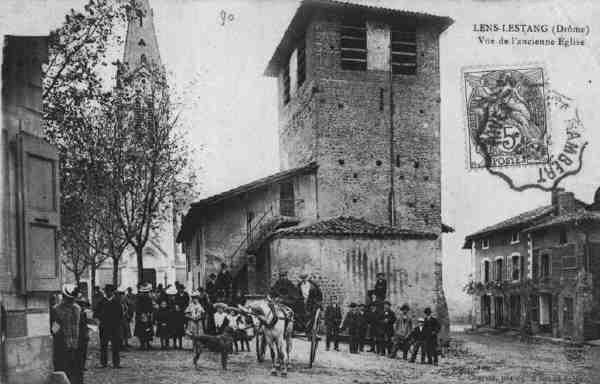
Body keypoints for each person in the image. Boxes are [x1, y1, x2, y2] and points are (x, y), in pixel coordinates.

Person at [51, 284, 82, 384]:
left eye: (72, 299)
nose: (71, 301)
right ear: (64, 297)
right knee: (64, 370)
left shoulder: (77, 308)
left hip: (76, 346)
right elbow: (54, 329)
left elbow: (81, 325)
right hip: (62, 347)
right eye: (68, 299)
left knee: (76, 371)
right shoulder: (56, 310)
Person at [96, 285, 123, 368]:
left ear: (113, 292)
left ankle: (116, 363)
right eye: (107, 291)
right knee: (103, 345)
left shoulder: (117, 302)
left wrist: (118, 323)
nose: (108, 293)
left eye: (110, 292)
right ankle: (103, 363)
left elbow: (120, 314)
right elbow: (96, 313)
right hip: (104, 326)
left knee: (115, 345)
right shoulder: (101, 302)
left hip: (115, 327)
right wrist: (101, 318)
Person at [75, 294, 93, 372]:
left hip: (83, 335)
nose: (82, 307)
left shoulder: (85, 313)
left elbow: (89, 324)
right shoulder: (74, 312)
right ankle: (77, 365)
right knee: (77, 351)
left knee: (83, 351)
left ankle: (82, 365)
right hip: (75, 335)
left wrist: (88, 333)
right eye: (80, 304)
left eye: (83, 305)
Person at [134, 283, 155, 350]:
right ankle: (142, 344)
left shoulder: (149, 298)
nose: (145, 293)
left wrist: (149, 313)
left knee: (148, 330)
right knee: (141, 331)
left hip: (147, 315)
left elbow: (150, 307)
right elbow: (137, 307)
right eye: (144, 292)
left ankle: (148, 344)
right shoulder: (139, 298)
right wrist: (140, 314)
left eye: (146, 292)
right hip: (141, 316)